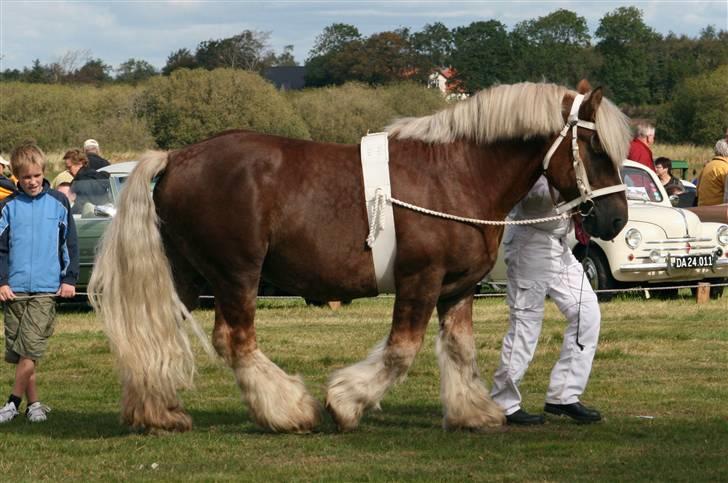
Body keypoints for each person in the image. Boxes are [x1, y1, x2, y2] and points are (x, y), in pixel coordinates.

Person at [491, 176, 602, 425]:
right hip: (530, 243)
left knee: (587, 312)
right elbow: (533, 198)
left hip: (559, 245)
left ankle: (564, 395)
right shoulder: (532, 153)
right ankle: (503, 401)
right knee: (525, 324)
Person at [0, 142, 79, 424]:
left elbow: (69, 242)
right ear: (17, 179)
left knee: (31, 347)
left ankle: (12, 403)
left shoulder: (59, 203)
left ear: (43, 172)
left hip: (46, 289)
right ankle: (34, 405)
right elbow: (1, 249)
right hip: (15, 290)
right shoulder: (7, 207)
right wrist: (2, 282)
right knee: (22, 351)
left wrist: (69, 278)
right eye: (26, 178)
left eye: (36, 176)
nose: (32, 182)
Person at [67, 148, 111, 214]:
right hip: (104, 216)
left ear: (80, 163)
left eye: (69, 167)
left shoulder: (80, 182)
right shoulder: (100, 177)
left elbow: (80, 206)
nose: (68, 171)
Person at [697, 139, 728, 206]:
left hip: (701, 210)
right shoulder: (725, 168)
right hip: (719, 212)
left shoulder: (707, 167)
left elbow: (697, 191)